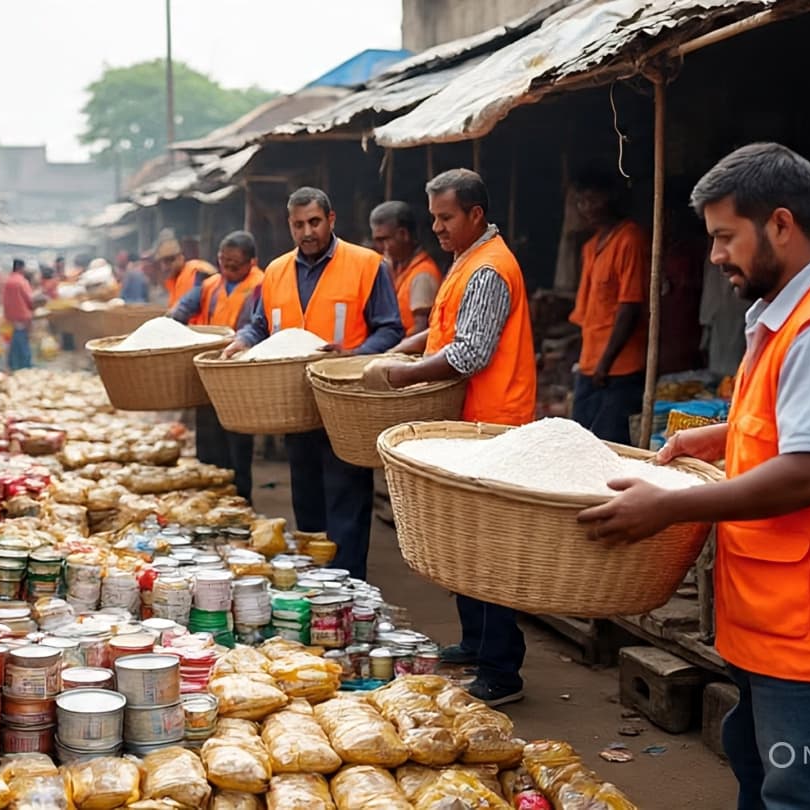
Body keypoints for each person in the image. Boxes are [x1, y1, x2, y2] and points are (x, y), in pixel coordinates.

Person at [578, 143, 810, 809]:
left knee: (807, 797)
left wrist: (668, 508)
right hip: (782, 626)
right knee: (767, 782)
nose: (714, 256)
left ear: (781, 225)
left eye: (725, 236)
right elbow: (794, 434)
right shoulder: (791, 317)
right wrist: (724, 435)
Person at [362, 169, 536, 707]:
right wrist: (406, 347)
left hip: (493, 423)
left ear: (475, 215)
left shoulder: (488, 268)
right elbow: (447, 334)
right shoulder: (468, 258)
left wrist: (402, 374)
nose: (436, 226)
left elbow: (469, 353)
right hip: (469, 422)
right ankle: (477, 641)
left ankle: (501, 670)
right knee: (466, 540)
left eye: (446, 217)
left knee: (488, 548)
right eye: (434, 216)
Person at [221, 187, 404, 579]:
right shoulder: (276, 271)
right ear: (289, 225)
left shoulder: (367, 264)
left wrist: (353, 354)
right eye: (299, 224)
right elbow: (260, 324)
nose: (307, 232)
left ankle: (348, 587)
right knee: (306, 501)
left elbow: (390, 329)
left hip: (345, 405)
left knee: (346, 502)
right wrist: (242, 341)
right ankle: (315, 584)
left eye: (315, 222)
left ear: (331, 219)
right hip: (294, 405)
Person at [169, 230, 264, 501]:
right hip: (210, 371)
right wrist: (171, 321)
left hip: (240, 375)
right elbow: (186, 305)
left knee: (237, 442)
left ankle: (239, 500)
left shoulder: (261, 286)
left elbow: (258, 325)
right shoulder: (211, 284)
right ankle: (209, 497)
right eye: (223, 262)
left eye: (234, 265)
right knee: (208, 438)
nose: (227, 269)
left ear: (251, 262)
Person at [568, 169, 649, 445]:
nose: (586, 208)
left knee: (611, 445)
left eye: (592, 200)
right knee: (580, 443)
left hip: (619, 368)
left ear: (611, 196)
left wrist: (604, 363)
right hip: (591, 365)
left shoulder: (629, 239)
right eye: (581, 201)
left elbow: (630, 306)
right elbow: (588, 312)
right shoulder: (590, 247)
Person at [370, 201, 441, 336]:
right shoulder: (396, 268)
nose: (380, 246)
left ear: (403, 234)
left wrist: (392, 346)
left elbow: (422, 330)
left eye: (384, 239)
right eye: (377, 241)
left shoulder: (422, 275)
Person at [157, 236, 217, 322]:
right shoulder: (173, 281)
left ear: (180, 257)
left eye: (169, 261)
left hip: (203, 327)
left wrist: (179, 311)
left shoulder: (198, 270)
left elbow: (198, 295)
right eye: (162, 263)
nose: (165, 267)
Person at [3, 258, 36, 372]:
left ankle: (13, 365)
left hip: (10, 317)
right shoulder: (22, 281)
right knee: (22, 342)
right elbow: (30, 300)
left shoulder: (8, 281)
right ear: (21, 268)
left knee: (14, 342)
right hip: (22, 316)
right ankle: (25, 366)